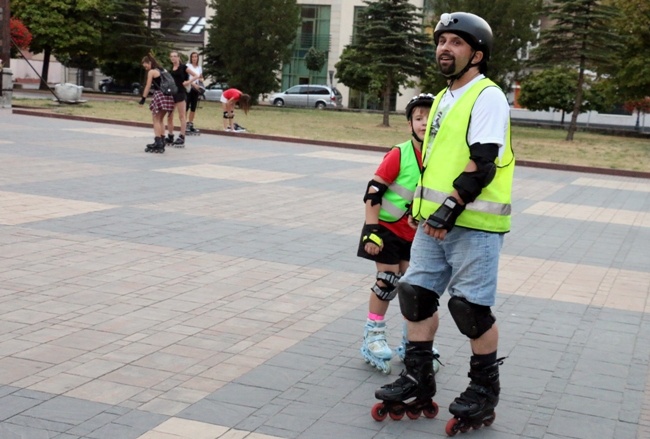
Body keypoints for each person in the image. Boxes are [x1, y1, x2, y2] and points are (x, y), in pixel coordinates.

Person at [373, 12, 515, 432]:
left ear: (477, 53)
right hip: (431, 224)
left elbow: (483, 162)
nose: (444, 48)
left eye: (456, 42)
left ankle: (484, 390)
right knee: (415, 295)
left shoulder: (486, 95)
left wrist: (449, 209)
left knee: (470, 310)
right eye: (441, 40)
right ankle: (418, 378)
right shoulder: (442, 98)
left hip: (472, 224)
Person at [358, 94, 441, 375]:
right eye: (418, 118)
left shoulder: (441, 156)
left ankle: (414, 343)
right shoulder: (400, 153)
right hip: (385, 229)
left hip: (417, 234)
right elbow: (374, 190)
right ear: (410, 124)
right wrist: (371, 231)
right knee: (388, 280)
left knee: (414, 288)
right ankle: (374, 334)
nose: (424, 123)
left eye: (429, 118)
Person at [138, 54, 175, 153]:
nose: (145, 68)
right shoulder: (162, 70)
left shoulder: (152, 72)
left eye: (145, 65)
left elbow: (148, 86)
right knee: (161, 119)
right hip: (169, 96)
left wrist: (143, 99)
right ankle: (162, 140)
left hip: (160, 95)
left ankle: (158, 142)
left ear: (149, 63)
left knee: (155, 119)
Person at [164, 51, 198, 147]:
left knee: (182, 116)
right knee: (169, 115)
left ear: (178, 57)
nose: (173, 58)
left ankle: (182, 136)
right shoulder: (171, 69)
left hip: (180, 93)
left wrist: (188, 82)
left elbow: (196, 75)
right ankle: (170, 136)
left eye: (175, 56)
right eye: (171, 56)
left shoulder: (183, 67)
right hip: (172, 93)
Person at [185, 52, 204, 134]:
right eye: (193, 57)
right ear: (191, 58)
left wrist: (201, 81)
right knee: (186, 106)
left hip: (196, 88)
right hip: (189, 86)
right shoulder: (188, 66)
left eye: (196, 57)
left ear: (197, 58)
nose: (194, 58)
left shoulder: (199, 67)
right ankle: (184, 123)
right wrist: (193, 84)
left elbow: (201, 77)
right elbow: (186, 78)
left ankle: (190, 123)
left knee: (193, 106)